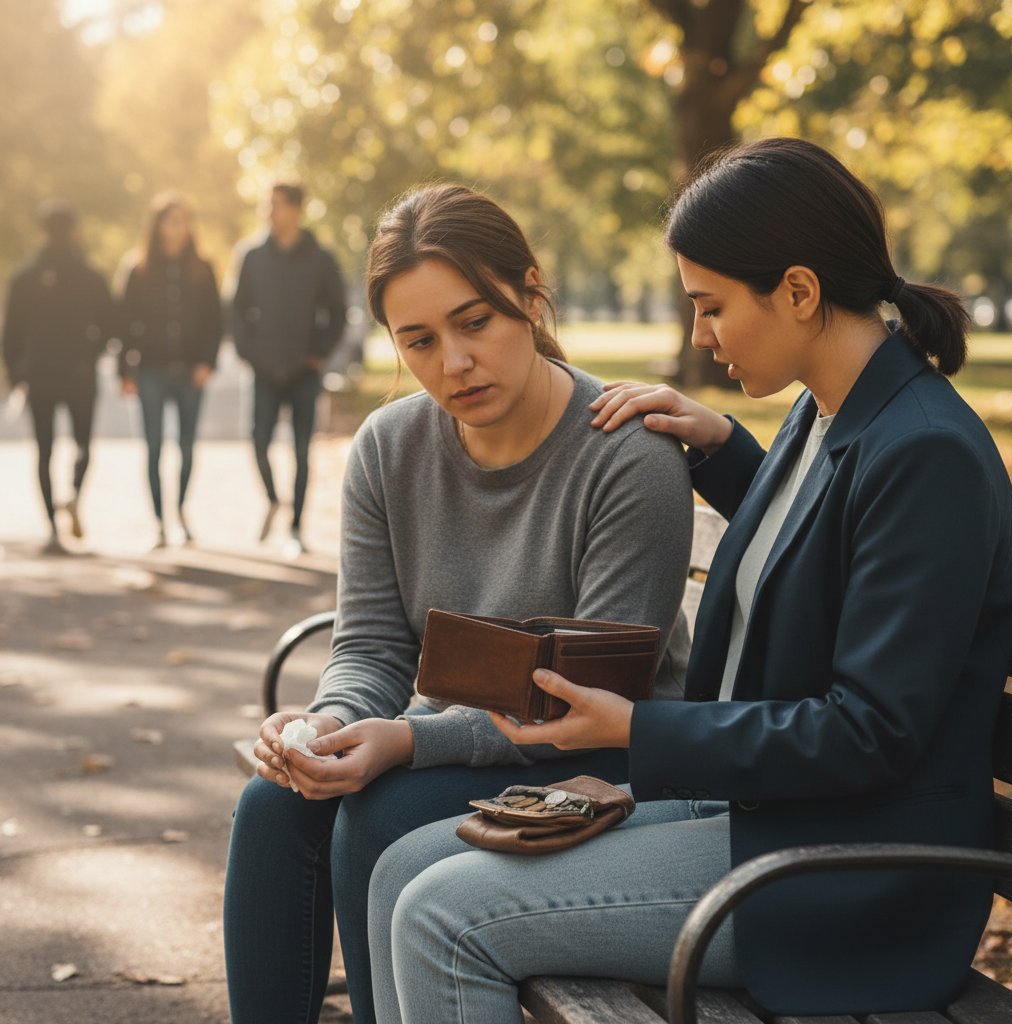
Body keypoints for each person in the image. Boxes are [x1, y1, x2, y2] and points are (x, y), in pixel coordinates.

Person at [367, 138, 1012, 1023]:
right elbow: (833, 550)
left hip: (846, 870)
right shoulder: (828, 413)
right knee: (402, 866)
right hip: (768, 816)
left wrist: (643, 730)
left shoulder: (926, 452)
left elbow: (871, 732)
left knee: (444, 917)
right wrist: (725, 449)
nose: (698, 335)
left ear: (797, 290)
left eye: (711, 306)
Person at [222, 183, 696, 1024]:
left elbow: (591, 700)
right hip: (451, 745)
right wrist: (323, 729)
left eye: (474, 322)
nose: (453, 363)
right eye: (420, 340)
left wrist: (408, 741)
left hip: (606, 756)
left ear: (529, 291)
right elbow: (369, 645)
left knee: (379, 814)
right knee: (274, 805)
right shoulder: (388, 446)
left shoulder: (627, 457)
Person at [231, 181, 349, 553]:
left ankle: (297, 527)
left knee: (301, 450)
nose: (269, 212)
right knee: (259, 441)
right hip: (263, 370)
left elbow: (338, 312)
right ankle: (272, 499)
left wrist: (319, 354)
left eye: (276, 205)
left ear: (296, 209)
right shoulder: (251, 255)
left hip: (304, 371)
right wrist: (249, 353)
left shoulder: (320, 257)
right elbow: (235, 311)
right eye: (267, 204)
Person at [1, 201, 114, 550]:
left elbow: (11, 333)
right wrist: (91, 355)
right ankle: (74, 494)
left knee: (44, 450)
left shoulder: (25, 278)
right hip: (78, 374)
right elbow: (110, 325)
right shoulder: (90, 277)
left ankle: (52, 525)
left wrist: (18, 372)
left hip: (40, 376)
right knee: (82, 445)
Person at [118, 193, 223, 546]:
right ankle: (160, 522)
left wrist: (208, 362)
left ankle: (180, 509)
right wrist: (125, 371)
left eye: (183, 220)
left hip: (191, 371)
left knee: (187, 446)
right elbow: (125, 322)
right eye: (171, 220)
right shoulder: (138, 268)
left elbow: (215, 321)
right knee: (153, 447)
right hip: (150, 370)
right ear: (158, 226)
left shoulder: (203, 269)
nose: (178, 227)